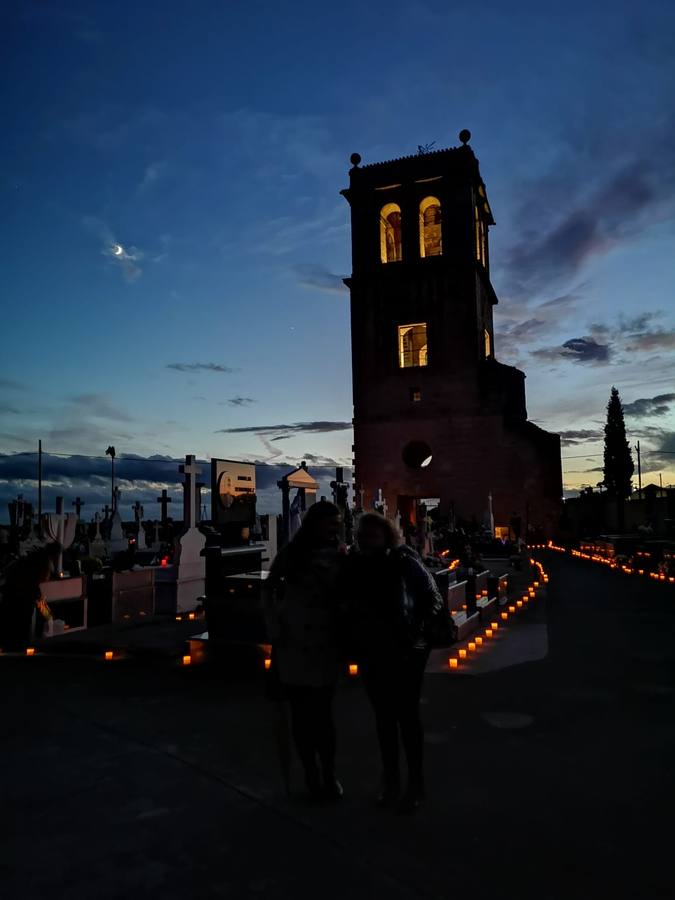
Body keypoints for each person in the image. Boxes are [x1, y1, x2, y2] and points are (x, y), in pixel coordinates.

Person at [345, 513, 443, 813]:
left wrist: (418, 632)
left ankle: (415, 784)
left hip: (405, 651)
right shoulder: (354, 565)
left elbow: (432, 597)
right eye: (362, 536)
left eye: (372, 536)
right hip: (371, 652)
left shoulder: (404, 561)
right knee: (384, 720)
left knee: (407, 718)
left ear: (387, 536)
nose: (366, 541)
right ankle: (391, 781)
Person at [263, 501, 344, 802]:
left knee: (324, 715)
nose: (334, 528)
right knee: (300, 715)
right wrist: (274, 623)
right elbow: (269, 587)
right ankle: (310, 771)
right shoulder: (292, 554)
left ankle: (329, 772)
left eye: (337, 523)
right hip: (294, 642)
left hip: (325, 643)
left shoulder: (341, 554)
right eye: (329, 522)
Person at [0, 545, 59, 649]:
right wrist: (50, 617)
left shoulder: (20, 568)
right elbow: (40, 602)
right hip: (17, 620)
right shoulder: (30, 582)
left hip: (7, 615)